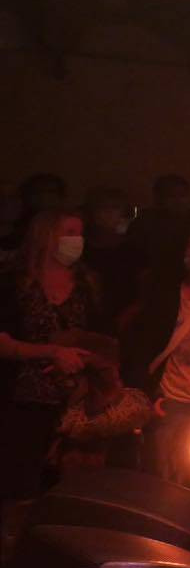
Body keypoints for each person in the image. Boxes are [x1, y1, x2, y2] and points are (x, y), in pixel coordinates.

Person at [0, 209, 107, 498]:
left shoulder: (87, 284)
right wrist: (51, 352)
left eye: (80, 233)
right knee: (20, 486)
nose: (77, 240)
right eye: (69, 232)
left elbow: (104, 340)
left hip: (76, 402)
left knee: (73, 489)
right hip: (21, 401)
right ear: (46, 236)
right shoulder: (13, 283)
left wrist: (85, 363)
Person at [122, 229, 190, 483]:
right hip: (170, 400)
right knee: (164, 478)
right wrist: (150, 394)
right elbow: (143, 345)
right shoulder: (165, 297)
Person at [83, 186, 144, 331]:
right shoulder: (79, 248)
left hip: (128, 320)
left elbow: (146, 286)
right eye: (102, 207)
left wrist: (131, 312)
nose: (108, 212)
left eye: (114, 208)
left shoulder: (133, 248)